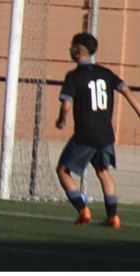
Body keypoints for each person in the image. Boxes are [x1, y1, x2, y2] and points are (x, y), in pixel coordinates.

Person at [54, 32, 140, 230]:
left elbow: (66, 104)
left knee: (63, 170)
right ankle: (113, 217)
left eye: (71, 46)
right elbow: (126, 91)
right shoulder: (105, 73)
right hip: (106, 134)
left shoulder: (74, 76)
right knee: (103, 172)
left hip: (85, 134)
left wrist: (62, 120)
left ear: (77, 50)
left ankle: (82, 209)